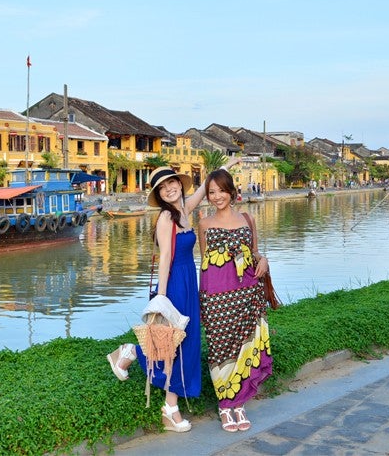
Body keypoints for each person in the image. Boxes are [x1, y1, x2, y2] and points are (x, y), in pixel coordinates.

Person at [106, 166, 207, 433]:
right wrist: (162, 297)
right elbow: (164, 258)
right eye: (163, 188)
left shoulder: (185, 208)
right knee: (171, 343)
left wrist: (223, 168)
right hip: (175, 283)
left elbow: (204, 189)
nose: (169, 189)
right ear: (159, 194)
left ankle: (129, 353)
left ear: (179, 184)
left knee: (187, 341)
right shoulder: (166, 217)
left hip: (188, 279)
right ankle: (168, 407)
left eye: (172, 183)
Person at [198, 169, 273, 433]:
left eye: (221, 190)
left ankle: (239, 404)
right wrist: (202, 299)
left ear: (231, 191)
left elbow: (254, 252)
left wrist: (263, 259)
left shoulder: (247, 218)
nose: (217, 196)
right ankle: (224, 404)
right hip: (216, 295)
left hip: (247, 293)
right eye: (212, 192)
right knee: (220, 347)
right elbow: (205, 263)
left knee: (244, 347)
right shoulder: (204, 224)